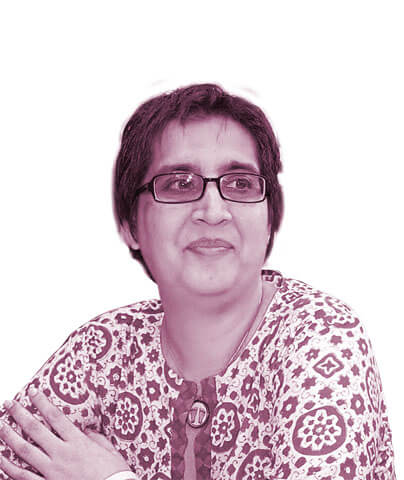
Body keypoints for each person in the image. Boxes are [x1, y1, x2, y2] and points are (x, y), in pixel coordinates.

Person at [0, 84, 396, 480]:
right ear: (130, 225)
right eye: (179, 183)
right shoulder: (103, 349)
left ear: (270, 220)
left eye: (240, 184)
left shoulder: (321, 337)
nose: (213, 211)